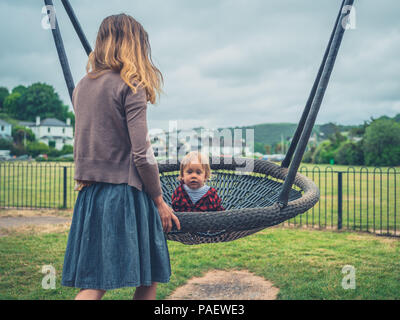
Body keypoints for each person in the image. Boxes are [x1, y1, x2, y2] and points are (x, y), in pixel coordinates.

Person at [61, 13, 180, 300]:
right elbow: (142, 154)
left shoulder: (82, 85)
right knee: (148, 275)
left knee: (93, 280)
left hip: (91, 195)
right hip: (126, 195)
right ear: (135, 45)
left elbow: (86, 141)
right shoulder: (131, 84)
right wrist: (159, 200)